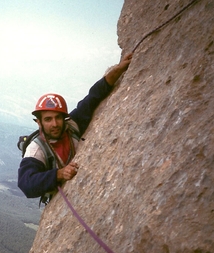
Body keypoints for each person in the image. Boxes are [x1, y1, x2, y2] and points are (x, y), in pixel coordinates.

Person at [18, 53, 133, 204]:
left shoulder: (71, 125)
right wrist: (58, 174)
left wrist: (119, 69)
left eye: (58, 117)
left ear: (64, 118)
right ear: (38, 122)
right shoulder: (36, 150)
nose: (55, 124)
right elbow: (26, 183)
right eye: (48, 119)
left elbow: (93, 97)